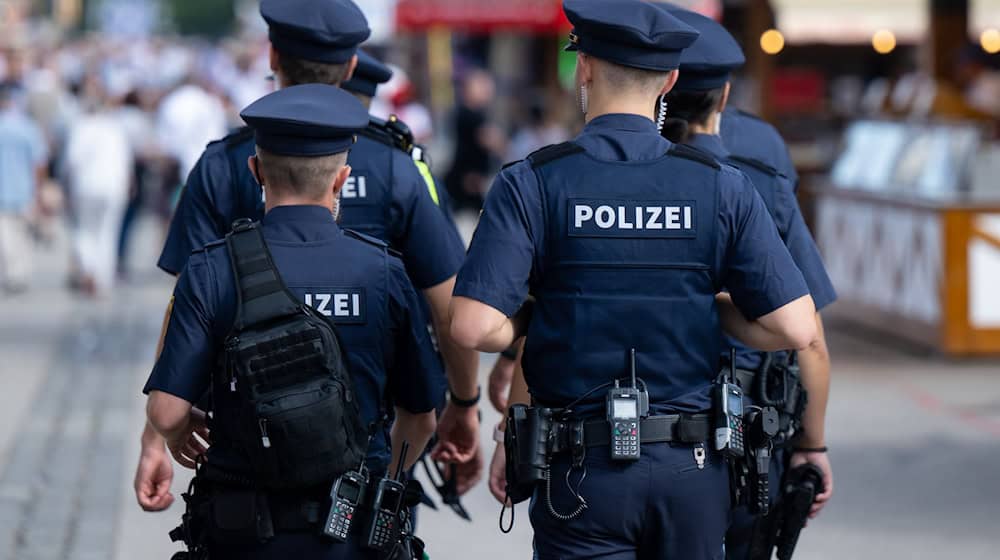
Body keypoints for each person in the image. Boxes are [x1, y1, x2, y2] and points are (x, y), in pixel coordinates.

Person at [451, 1, 818, 557]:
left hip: (580, 475)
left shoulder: (532, 181)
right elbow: (795, 326)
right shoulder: (721, 185)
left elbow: (473, 327)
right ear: (670, 79)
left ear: (586, 70)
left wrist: (538, 313)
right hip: (693, 471)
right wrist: (712, 309)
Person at [136, 0, 479, 515]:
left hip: (244, 465)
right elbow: (447, 302)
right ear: (349, 68)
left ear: (272, 54)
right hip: (364, 456)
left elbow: (185, 304)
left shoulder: (223, 163)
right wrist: (463, 403)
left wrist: (155, 437)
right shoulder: (396, 167)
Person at [143, 84, 441, 559]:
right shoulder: (383, 271)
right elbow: (421, 416)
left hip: (244, 535)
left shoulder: (212, 268)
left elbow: (166, 411)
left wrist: (178, 434)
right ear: (340, 180)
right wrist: (383, 481)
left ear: (256, 171)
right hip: (353, 535)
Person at [658, 8, 836, 557]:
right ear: (726, 94)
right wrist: (812, 444)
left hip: (630, 423)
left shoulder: (603, 161)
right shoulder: (763, 155)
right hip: (746, 424)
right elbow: (807, 330)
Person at [61, 76, 133, 297]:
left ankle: (89, 269)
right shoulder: (115, 128)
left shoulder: (80, 127)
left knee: (85, 231)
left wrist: (66, 186)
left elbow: (71, 161)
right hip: (113, 186)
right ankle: (102, 280)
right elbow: (125, 160)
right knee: (107, 232)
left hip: (86, 186)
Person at [0, 84, 47, 294]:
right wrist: (39, 188)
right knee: (22, 234)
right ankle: (19, 273)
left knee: (7, 235)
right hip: (24, 188)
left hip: (5, 190)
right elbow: (39, 162)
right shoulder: (28, 127)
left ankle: (14, 273)